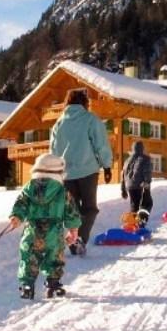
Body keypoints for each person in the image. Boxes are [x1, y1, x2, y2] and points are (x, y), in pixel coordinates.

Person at [49, 88, 113, 255]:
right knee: (90, 208)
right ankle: (80, 239)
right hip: (88, 171)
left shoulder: (59, 124)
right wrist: (107, 166)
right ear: (85, 103)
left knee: (72, 211)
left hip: (66, 174)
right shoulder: (90, 120)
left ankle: (73, 240)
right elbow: (101, 145)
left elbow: (53, 151)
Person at [9, 153, 81, 299]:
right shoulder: (62, 191)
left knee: (28, 257)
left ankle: (27, 285)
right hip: (54, 233)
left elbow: (21, 203)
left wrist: (16, 216)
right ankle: (53, 283)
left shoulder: (29, 187)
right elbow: (71, 212)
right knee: (55, 257)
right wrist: (73, 229)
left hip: (32, 231)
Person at [121, 140, 153, 225]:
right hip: (140, 184)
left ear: (133, 148)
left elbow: (123, 174)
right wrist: (147, 183)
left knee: (134, 205)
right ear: (142, 148)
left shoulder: (127, 160)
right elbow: (147, 172)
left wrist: (123, 189)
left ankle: (132, 224)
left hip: (129, 186)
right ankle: (139, 223)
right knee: (147, 203)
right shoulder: (145, 158)